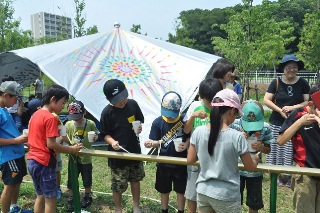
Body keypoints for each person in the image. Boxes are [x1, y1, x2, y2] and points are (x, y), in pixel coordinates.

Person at [187, 89, 259, 213]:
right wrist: (256, 159)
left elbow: (190, 159)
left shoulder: (198, 131)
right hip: (226, 195)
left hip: (203, 191)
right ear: (231, 111)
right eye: (236, 114)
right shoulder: (237, 137)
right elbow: (250, 167)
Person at [27, 85, 83, 213]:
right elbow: (51, 144)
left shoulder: (36, 114)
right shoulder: (50, 117)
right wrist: (71, 149)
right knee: (50, 199)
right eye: (62, 103)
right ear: (53, 99)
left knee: (40, 195)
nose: (63, 106)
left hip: (32, 161)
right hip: (44, 162)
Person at [264, 54, 310, 187]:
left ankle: (288, 176)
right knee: (276, 148)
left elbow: (307, 101)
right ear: (283, 68)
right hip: (277, 121)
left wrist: (293, 108)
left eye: (294, 67)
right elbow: (266, 100)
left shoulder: (303, 83)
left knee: (291, 148)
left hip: (294, 122)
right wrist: (279, 110)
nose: (291, 70)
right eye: (288, 67)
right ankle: (276, 175)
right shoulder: (276, 82)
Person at [100, 79, 145, 213]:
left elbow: (139, 120)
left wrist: (139, 127)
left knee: (135, 180)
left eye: (124, 97)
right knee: (118, 185)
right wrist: (112, 142)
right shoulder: (107, 112)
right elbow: (104, 134)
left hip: (134, 151)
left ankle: (136, 206)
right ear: (110, 100)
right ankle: (118, 208)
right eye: (118, 100)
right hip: (117, 155)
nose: (122, 101)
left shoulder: (132, 104)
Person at [277, 84, 320, 213]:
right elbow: (280, 140)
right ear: (311, 105)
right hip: (305, 172)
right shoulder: (298, 114)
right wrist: (300, 122)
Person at [144, 91, 189, 213]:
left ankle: (181, 210)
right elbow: (155, 141)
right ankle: (164, 210)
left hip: (181, 162)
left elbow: (190, 135)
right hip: (163, 162)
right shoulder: (158, 122)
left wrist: (187, 144)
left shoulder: (184, 120)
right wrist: (150, 143)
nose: (169, 117)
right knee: (164, 189)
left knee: (181, 189)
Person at [183, 78, 223, 213]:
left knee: (211, 191)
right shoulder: (195, 106)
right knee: (192, 193)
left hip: (214, 157)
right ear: (201, 97)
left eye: (214, 100)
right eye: (208, 101)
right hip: (195, 157)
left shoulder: (221, 109)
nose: (211, 104)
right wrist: (193, 116)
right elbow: (186, 130)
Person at [230, 100, 273, 213]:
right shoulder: (234, 125)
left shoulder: (265, 128)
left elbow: (268, 149)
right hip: (236, 170)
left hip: (255, 171)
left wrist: (262, 147)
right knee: (233, 201)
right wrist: (237, 137)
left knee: (254, 203)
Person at [0, 81, 32, 213]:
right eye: (16, 98)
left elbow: (8, 132)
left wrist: (21, 140)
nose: (17, 102)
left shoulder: (5, 110)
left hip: (16, 152)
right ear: (6, 95)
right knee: (10, 185)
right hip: (9, 156)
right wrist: (15, 140)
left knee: (17, 181)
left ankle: (14, 207)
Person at [65, 100, 99, 212]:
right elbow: (65, 136)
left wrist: (95, 138)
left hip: (86, 157)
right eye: (73, 117)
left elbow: (96, 135)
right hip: (73, 157)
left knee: (87, 177)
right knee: (71, 178)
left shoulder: (90, 124)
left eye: (78, 117)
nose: (76, 119)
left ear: (84, 112)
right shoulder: (69, 124)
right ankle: (71, 198)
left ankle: (87, 195)